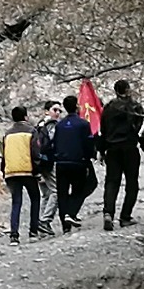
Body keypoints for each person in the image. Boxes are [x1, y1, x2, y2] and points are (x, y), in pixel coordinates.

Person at [99, 79, 144, 231]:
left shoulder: (108, 108)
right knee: (132, 183)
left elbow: (102, 130)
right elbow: (141, 130)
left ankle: (108, 213)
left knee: (111, 182)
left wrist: (101, 150)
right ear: (128, 90)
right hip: (130, 148)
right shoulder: (135, 107)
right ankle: (125, 216)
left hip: (112, 149)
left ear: (115, 91)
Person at [53, 95, 96, 233]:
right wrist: (91, 156)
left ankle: (65, 225)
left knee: (62, 193)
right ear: (76, 106)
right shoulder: (83, 124)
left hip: (61, 163)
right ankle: (70, 213)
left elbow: (55, 143)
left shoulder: (59, 125)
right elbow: (88, 143)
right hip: (78, 162)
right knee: (83, 187)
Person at [0, 107, 41, 245]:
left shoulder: (7, 133)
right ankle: (33, 232)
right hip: (27, 170)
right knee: (35, 198)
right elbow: (35, 152)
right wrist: (37, 170)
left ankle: (14, 235)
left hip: (11, 171)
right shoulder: (31, 131)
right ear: (26, 117)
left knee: (16, 202)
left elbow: (4, 154)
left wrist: (3, 170)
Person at [33, 101, 61, 237]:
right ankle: (45, 221)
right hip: (49, 162)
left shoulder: (38, 125)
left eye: (59, 111)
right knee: (56, 191)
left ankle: (40, 225)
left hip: (39, 163)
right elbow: (53, 144)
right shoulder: (52, 126)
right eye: (55, 109)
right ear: (46, 111)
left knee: (45, 194)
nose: (57, 113)